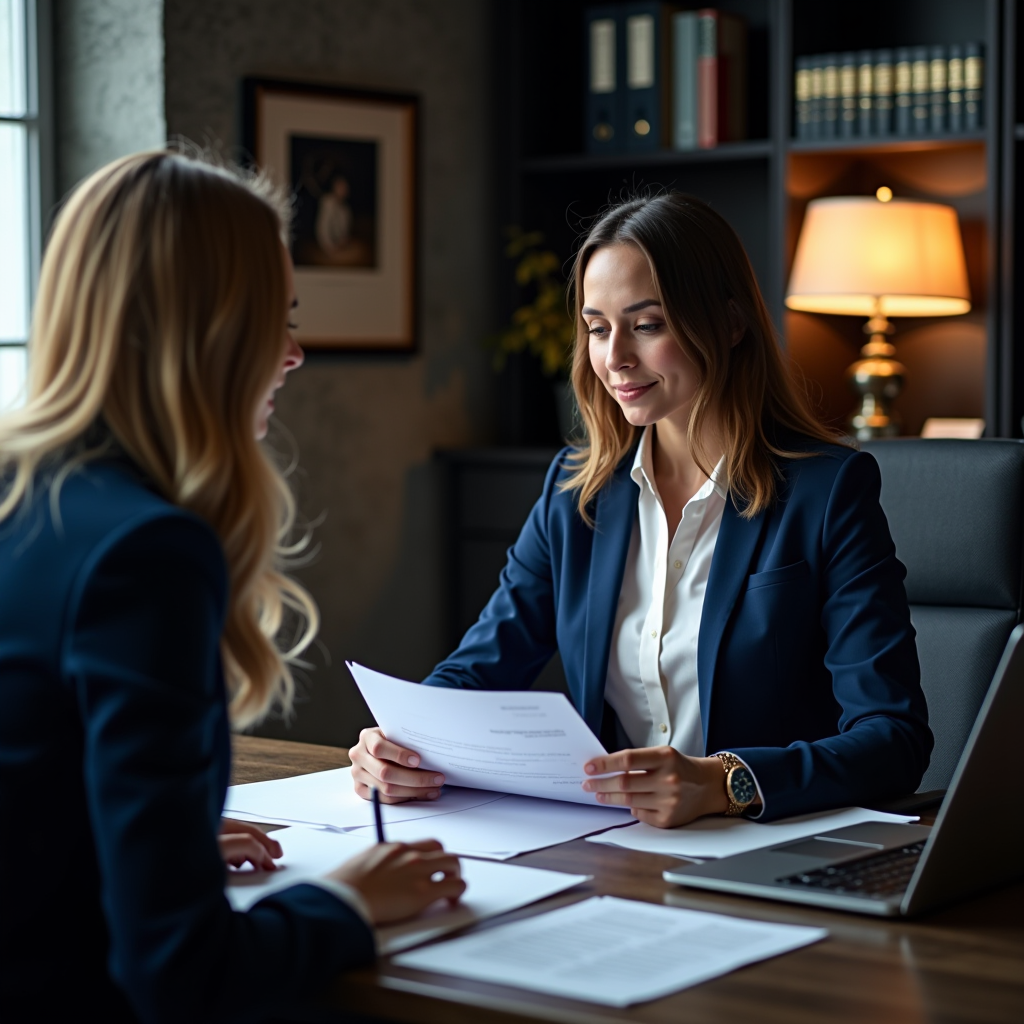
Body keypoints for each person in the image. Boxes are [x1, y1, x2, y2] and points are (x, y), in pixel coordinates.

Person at [0, 150, 464, 1023]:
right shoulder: (147, 552)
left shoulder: (19, 494)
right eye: (273, 319)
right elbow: (181, 977)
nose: (293, 353)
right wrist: (348, 902)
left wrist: (133, 847)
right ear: (202, 331)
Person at [350, 192, 933, 827]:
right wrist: (399, 744)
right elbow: (478, 669)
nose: (615, 358)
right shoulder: (577, 492)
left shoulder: (827, 491)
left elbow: (894, 738)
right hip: (614, 843)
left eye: (647, 325)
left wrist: (725, 782)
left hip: (764, 844)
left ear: (730, 323)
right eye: (598, 328)